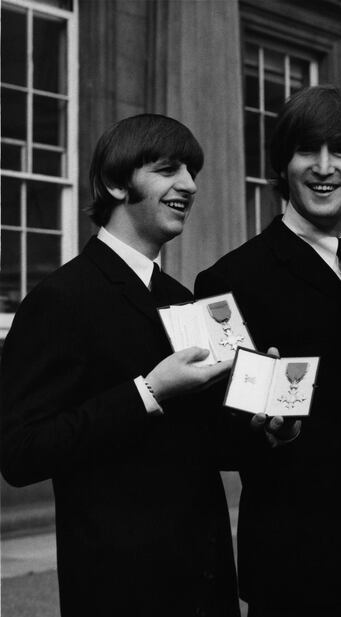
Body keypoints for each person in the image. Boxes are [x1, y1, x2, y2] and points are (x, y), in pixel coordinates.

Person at [0, 114, 241, 616]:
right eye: (168, 169)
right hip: (119, 589)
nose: (189, 185)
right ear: (115, 182)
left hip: (204, 581)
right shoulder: (60, 298)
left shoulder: (184, 299)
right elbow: (20, 453)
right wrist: (148, 392)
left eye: (192, 171)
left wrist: (265, 411)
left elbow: (203, 443)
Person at [195, 85, 341, 617]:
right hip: (293, 567)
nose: (324, 168)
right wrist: (265, 429)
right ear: (283, 164)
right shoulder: (226, 281)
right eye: (307, 151)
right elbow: (210, 436)